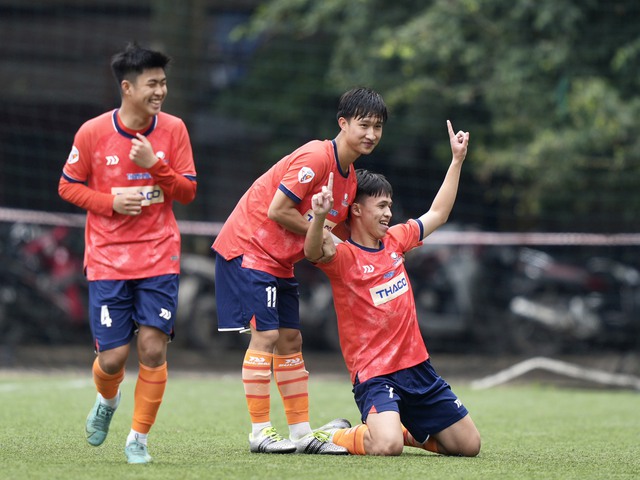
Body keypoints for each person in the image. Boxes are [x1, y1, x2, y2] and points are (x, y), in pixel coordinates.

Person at [212, 87, 388, 454]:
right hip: (249, 248)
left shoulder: (350, 178)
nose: (371, 133)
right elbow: (278, 209)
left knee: (292, 340)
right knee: (267, 336)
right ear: (343, 123)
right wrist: (319, 227)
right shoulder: (317, 156)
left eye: (378, 127)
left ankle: (301, 433)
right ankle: (259, 432)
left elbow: (334, 239)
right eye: (364, 124)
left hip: (280, 261)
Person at [303, 120, 481, 457]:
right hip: (375, 374)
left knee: (468, 446)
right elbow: (313, 251)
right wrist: (319, 217)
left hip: (418, 368)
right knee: (386, 447)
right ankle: (336, 435)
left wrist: (456, 160)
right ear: (356, 209)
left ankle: (404, 429)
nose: (389, 213)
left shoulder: (396, 240)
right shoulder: (343, 256)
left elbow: (439, 213)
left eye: (390, 205)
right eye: (381, 206)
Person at [58, 42, 197, 464]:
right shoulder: (93, 132)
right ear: (128, 87)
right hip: (107, 258)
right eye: (153, 83)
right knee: (113, 357)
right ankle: (107, 400)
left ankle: (138, 438)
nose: (161, 91)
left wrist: (157, 164)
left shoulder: (174, 130)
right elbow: (67, 185)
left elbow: (188, 192)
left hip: (159, 256)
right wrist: (109, 203)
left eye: (164, 83)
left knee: (153, 349)